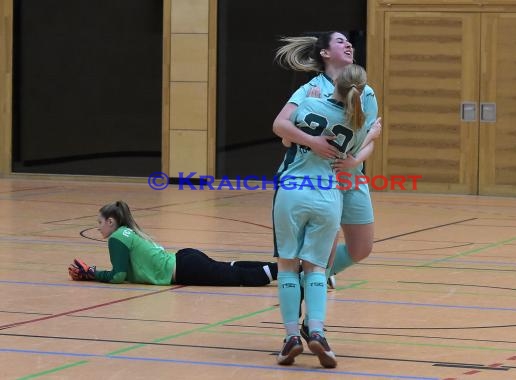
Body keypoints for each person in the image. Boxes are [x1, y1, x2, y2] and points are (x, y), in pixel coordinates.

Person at [272, 63, 370, 368]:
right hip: (328, 196)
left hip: (293, 191)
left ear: (335, 84)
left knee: (288, 265)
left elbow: (287, 138)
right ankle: (317, 331)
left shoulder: (311, 102)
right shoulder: (358, 122)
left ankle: (290, 337)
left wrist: (308, 104)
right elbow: (355, 156)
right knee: (316, 268)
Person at [273, 31, 381, 284]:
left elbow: (370, 140)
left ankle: (316, 276)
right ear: (325, 53)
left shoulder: (366, 92)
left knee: (362, 248)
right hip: (321, 181)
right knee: (324, 253)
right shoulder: (311, 89)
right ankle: (310, 287)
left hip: (352, 178)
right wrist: (312, 141)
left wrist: (355, 161)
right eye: (340, 41)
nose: (349, 44)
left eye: (349, 42)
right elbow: (282, 128)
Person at [68, 200, 277, 286]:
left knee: (237, 276)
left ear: (111, 222)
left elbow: (118, 276)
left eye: (100, 223)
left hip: (184, 268)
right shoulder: (128, 232)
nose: (98, 228)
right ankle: (286, 269)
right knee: (230, 267)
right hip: (185, 259)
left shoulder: (116, 238)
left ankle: (281, 272)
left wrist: (93, 274)